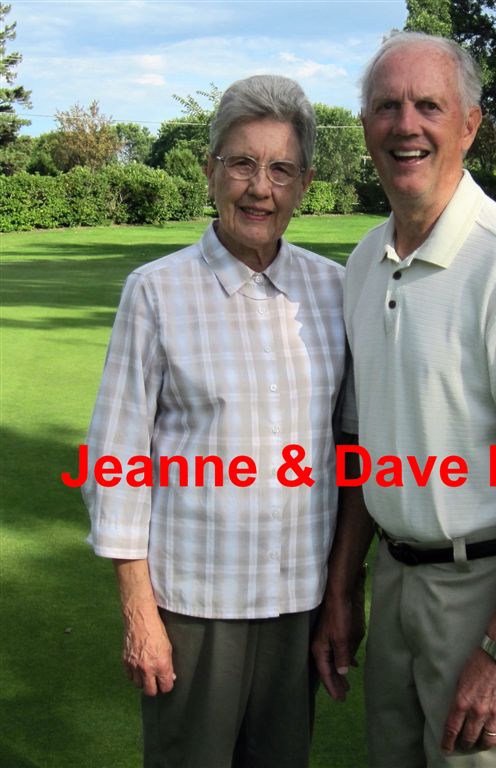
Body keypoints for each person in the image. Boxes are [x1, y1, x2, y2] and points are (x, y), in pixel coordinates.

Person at [312, 32, 496, 768]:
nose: (406, 125)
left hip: (493, 589)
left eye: (428, 106)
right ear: (365, 126)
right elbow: (362, 446)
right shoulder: (364, 262)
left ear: (468, 125)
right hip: (396, 582)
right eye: (386, 106)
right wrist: (343, 588)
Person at [82, 75, 353, 768]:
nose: (260, 188)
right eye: (242, 164)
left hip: (298, 605)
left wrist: (341, 596)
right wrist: (140, 615)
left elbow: (350, 452)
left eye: (281, 169)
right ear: (210, 171)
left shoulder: (334, 290)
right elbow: (116, 464)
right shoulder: (156, 291)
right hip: (193, 607)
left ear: (304, 184)